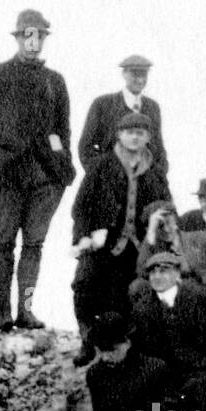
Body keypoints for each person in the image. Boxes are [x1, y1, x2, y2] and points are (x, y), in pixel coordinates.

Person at [0, 9, 74, 331]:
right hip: (8, 174)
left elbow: (63, 131)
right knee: (3, 242)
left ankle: (26, 310)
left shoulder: (54, 80)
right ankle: (3, 313)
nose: (33, 42)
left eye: (39, 36)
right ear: (18, 38)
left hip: (44, 177)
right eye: (28, 35)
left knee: (34, 244)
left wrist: (60, 167)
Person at [70, 112, 172, 365]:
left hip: (138, 247)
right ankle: (88, 341)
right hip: (102, 242)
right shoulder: (101, 166)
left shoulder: (156, 172)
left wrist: (157, 234)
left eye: (140, 133)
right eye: (129, 132)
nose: (135, 137)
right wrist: (83, 237)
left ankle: (123, 349)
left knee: (124, 298)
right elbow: (81, 206)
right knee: (83, 286)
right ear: (119, 134)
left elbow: (166, 207)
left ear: (148, 137)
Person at [128, 252, 206, 385]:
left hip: (203, 374)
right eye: (153, 273)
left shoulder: (201, 297)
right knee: (155, 406)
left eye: (163, 271)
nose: (157, 277)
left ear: (177, 274)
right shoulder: (141, 310)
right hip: (163, 381)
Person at [135, 200, 206, 312]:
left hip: (204, 298)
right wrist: (150, 235)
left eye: (169, 222)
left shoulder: (202, 239)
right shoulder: (153, 248)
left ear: (176, 220)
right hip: (173, 304)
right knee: (137, 286)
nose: (166, 229)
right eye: (160, 226)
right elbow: (141, 274)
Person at [77, 54, 168, 176]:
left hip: (144, 184)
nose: (140, 80)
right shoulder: (103, 104)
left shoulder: (152, 107)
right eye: (135, 74)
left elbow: (158, 148)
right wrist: (100, 176)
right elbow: (85, 147)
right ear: (124, 74)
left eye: (144, 74)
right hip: (110, 182)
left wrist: (158, 177)